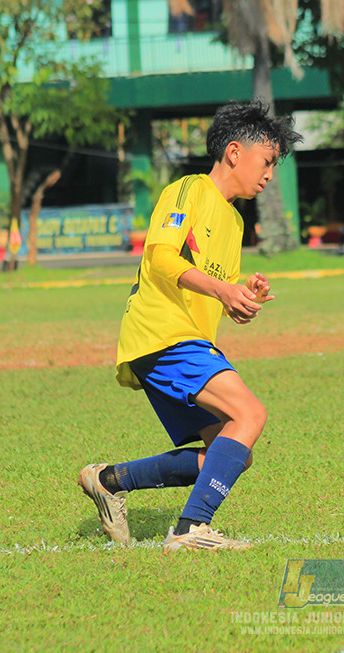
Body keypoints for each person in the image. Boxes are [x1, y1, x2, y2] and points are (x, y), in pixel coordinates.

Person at [78, 99, 302, 551]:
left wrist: (242, 297)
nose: (269, 175)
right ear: (235, 152)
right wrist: (223, 290)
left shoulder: (234, 221)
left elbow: (213, 290)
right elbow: (160, 257)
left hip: (185, 341)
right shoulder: (189, 190)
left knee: (231, 454)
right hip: (163, 335)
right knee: (250, 415)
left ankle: (110, 480)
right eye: (267, 161)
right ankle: (190, 528)